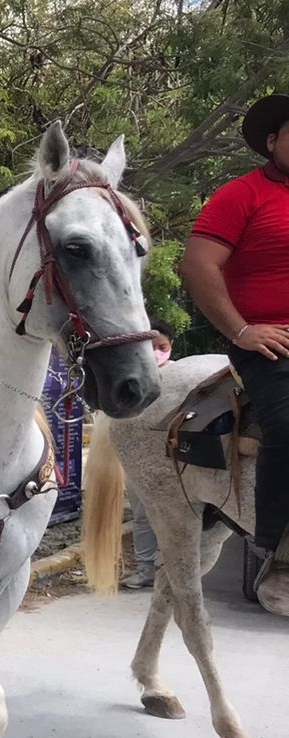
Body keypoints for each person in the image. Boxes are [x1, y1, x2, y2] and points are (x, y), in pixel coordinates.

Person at [180, 91, 289, 615]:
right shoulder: (241, 195)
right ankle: (279, 554)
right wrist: (242, 329)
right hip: (273, 342)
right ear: (272, 142)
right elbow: (198, 265)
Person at [121, 318, 176, 589]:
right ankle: (146, 569)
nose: (156, 352)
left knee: (174, 519)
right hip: (139, 462)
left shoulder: (182, 377)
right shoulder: (132, 380)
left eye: (162, 346)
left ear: (171, 346)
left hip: (173, 462)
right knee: (143, 517)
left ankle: (172, 569)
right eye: (150, 346)